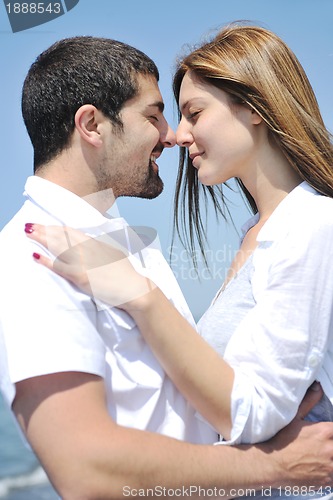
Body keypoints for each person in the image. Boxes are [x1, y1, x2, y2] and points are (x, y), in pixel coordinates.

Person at [1, 34, 333, 500]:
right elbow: (84, 471)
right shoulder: (36, 253)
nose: (172, 135)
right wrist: (271, 466)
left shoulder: (122, 249)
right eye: (154, 115)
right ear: (92, 125)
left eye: (189, 114)